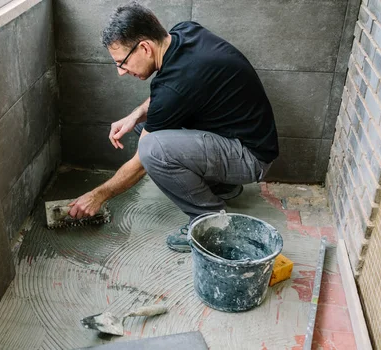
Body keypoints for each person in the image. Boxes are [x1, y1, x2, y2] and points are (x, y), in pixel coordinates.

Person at [68, 2, 279, 253]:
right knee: (147, 127)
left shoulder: (177, 86)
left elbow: (141, 163)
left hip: (250, 159)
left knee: (152, 149)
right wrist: (134, 116)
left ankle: (209, 220)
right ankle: (221, 184)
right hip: (241, 137)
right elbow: (170, 96)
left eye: (121, 62)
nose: (120, 72)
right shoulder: (184, 32)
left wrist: (98, 195)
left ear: (145, 47)